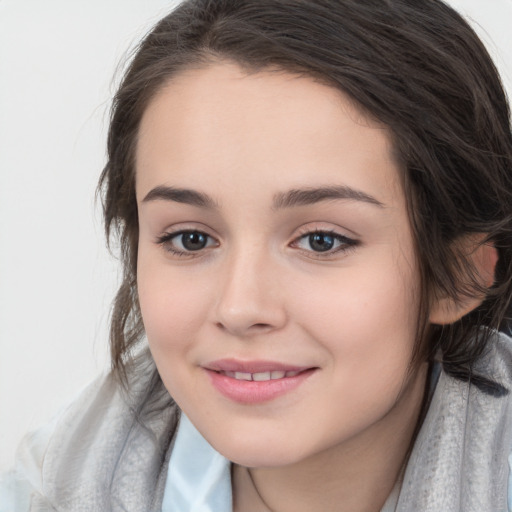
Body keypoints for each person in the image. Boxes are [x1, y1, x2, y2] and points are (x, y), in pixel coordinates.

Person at [2, 0, 512, 510]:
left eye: (321, 240)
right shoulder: (51, 487)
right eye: (191, 239)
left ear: (457, 275)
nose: (240, 308)